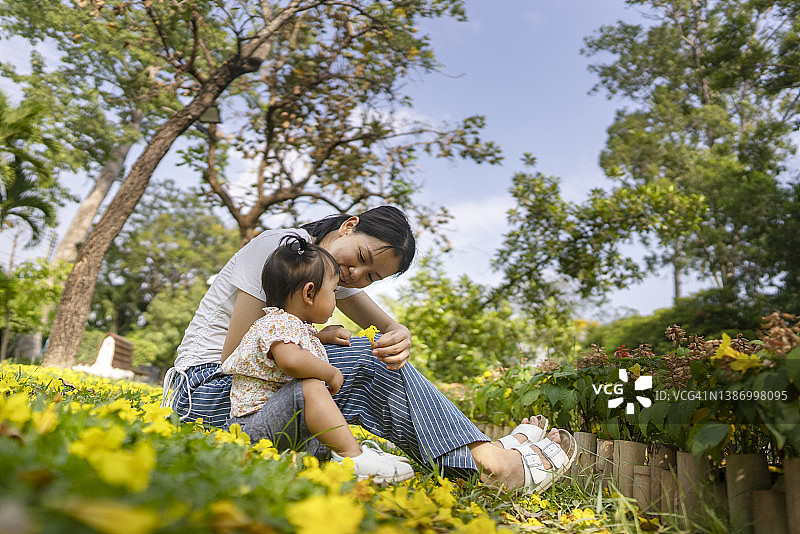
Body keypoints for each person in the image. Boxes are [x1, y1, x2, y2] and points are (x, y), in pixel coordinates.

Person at [162, 205, 575, 492]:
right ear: (349, 225)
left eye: (371, 277)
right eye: (359, 257)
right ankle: (491, 461)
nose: (354, 275)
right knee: (362, 359)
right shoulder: (284, 251)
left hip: (246, 397)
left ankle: (481, 453)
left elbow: (385, 326)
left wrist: (400, 334)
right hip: (207, 392)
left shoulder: (325, 275)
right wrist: (324, 361)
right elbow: (235, 357)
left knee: (365, 350)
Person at [220, 234, 413, 482]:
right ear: (309, 293)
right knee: (310, 386)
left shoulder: (287, 326)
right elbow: (290, 360)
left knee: (321, 421)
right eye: (333, 291)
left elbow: (289, 346)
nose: (336, 299)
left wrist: (320, 337)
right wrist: (329, 372)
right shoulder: (279, 322)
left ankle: (348, 452)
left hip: (275, 425)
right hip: (253, 429)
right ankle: (352, 458)